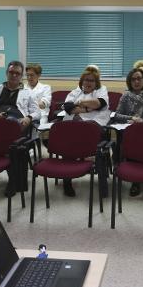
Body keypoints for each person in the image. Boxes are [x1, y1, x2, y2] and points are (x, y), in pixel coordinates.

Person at [61, 66, 110, 196]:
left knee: (98, 145)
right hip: (73, 126)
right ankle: (67, 181)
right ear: (81, 81)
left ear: (96, 83)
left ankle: (102, 182)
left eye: (91, 80)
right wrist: (88, 109)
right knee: (66, 143)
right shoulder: (75, 91)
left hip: (93, 126)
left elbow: (99, 103)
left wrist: (80, 103)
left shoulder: (101, 90)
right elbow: (68, 107)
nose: (88, 83)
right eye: (86, 80)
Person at [115, 67, 143, 196]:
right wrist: (131, 118)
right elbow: (117, 115)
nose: (136, 81)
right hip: (130, 130)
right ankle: (135, 178)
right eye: (133, 79)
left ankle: (139, 177)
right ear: (130, 81)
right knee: (130, 140)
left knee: (140, 140)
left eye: (139, 78)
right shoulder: (126, 95)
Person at [0, 61, 40, 131]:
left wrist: (29, 118)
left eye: (17, 73)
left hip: (17, 125)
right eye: (11, 72)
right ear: (6, 73)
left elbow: (37, 113)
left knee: (11, 121)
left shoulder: (29, 93)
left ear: (21, 76)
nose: (14, 75)